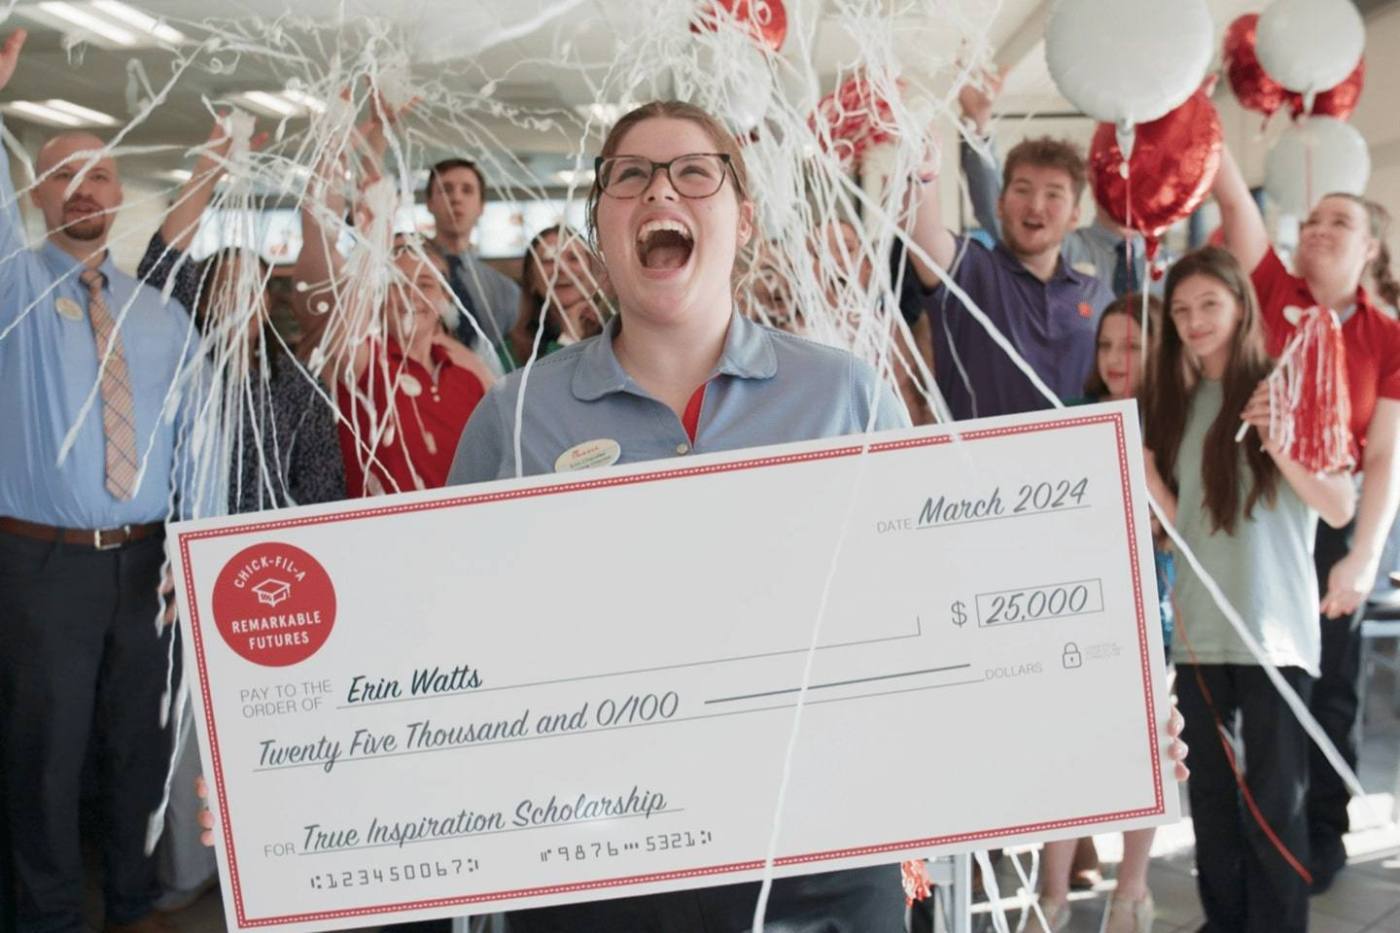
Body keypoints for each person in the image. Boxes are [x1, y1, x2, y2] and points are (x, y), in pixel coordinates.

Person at [0, 28, 200, 933]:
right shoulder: (14, 297)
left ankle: (133, 901)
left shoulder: (162, 319)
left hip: (147, 567)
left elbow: (198, 445)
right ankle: (46, 917)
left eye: (100, 175)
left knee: (136, 744)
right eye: (60, 177)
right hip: (42, 569)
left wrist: (192, 552)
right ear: (36, 198)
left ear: (120, 196)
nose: (83, 189)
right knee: (46, 754)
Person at [1143, 246, 1356, 933]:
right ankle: (1225, 922)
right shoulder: (1176, 401)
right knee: (1210, 802)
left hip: (1275, 632)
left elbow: (1338, 506)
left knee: (1275, 804)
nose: (1195, 320)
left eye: (1209, 303)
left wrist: (1281, 438)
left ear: (1241, 304)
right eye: (1180, 310)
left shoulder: (1285, 386)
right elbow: (1189, 530)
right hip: (1201, 632)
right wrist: (1143, 469)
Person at [1212, 145, 1400, 892]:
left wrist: (1362, 555)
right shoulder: (1272, 288)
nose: (1318, 228)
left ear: (1370, 247)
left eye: (1339, 220)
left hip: (1333, 521)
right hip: (1256, 515)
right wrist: (1198, 112)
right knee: (1256, 684)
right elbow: (1233, 202)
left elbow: (1384, 456)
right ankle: (1251, 830)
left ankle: (1321, 833)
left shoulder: (1387, 336)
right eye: (1313, 217)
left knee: (1332, 689)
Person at [1032, 294, 1172, 933]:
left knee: (1144, 754)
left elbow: (1176, 528)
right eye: (1108, 345)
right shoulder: (1078, 416)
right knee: (1065, 751)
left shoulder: (1173, 423)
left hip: (1151, 608)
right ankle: (1052, 896)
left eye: (1133, 346)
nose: (1117, 359)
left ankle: (1131, 893)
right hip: (1079, 606)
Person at [294, 102, 494, 497]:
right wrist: (339, 148)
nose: (413, 295)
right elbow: (320, 228)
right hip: (384, 547)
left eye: (426, 283)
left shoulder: (468, 369)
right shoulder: (364, 359)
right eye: (396, 282)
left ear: (444, 298)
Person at [899, 132, 1114, 420]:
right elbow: (924, 234)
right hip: (981, 461)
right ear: (1000, 204)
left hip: (1081, 461)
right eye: (1023, 190)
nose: (1036, 205)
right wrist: (922, 170)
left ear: (1075, 215)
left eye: (1053, 194)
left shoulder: (1097, 294)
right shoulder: (970, 271)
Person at [955, 66, 1159, 297]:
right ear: (1093, 176)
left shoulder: (1167, 267)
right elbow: (997, 210)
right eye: (1115, 168)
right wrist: (978, 125)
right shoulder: (1061, 247)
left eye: (1139, 174)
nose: (1126, 184)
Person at [424, 157, 522, 356]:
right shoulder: (405, 278)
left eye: (467, 190)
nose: (456, 198)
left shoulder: (505, 292)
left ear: (481, 206)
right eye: (446, 189)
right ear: (429, 202)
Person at [503, 224, 608, 367]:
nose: (562, 268)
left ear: (592, 271)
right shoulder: (510, 351)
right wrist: (568, 338)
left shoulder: (621, 332)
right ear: (532, 279)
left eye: (573, 258)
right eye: (548, 260)